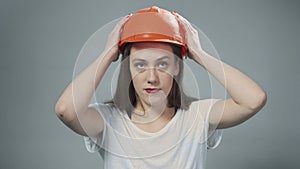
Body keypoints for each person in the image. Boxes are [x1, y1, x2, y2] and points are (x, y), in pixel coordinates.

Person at [55, 6, 267, 169]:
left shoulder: (197, 117)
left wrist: (200, 54)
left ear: (176, 66)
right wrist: (108, 53)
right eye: (140, 65)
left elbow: (253, 100)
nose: (152, 77)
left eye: (162, 64)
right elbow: (66, 110)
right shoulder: (109, 121)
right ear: (128, 68)